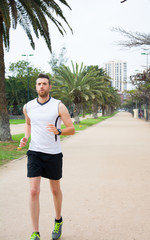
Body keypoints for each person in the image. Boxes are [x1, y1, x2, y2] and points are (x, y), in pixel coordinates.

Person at [19, 73, 75, 240]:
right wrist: (25, 137)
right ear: (35, 87)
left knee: (55, 190)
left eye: (44, 84)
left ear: (50, 87)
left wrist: (59, 131)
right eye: (39, 84)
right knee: (34, 191)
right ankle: (35, 232)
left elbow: (71, 129)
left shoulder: (59, 106)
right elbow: (28, 124)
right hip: (35, 152)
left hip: (53, 154)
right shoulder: (28, 106)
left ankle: (58, 220)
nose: (41, 86)